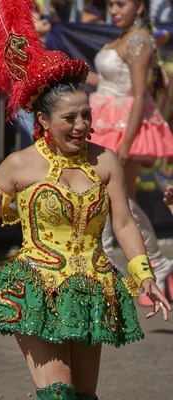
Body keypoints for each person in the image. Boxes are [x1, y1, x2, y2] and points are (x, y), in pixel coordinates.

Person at [0, 0, 171, 398]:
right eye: (69, 118)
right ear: (43, 121)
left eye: (85, 115)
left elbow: (124, 223)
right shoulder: (18, 166)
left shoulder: (105, 159)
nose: (81, 126)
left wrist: (144, 274)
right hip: (37, 288)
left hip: (93, 286)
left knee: (83, 395)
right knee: (57, 394)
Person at [85, 0, 173, 305]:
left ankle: (151, 267)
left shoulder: (138, 40)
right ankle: (148, 267)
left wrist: (125, 144)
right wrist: (75, 72)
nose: (113, 10)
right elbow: (109, 84)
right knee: (111, 199)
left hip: (123, 127)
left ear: (139, 6)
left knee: (120, 201)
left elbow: (138, 95)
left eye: (120, 4)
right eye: (110, 4)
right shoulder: (122, 39)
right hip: (103, 119)